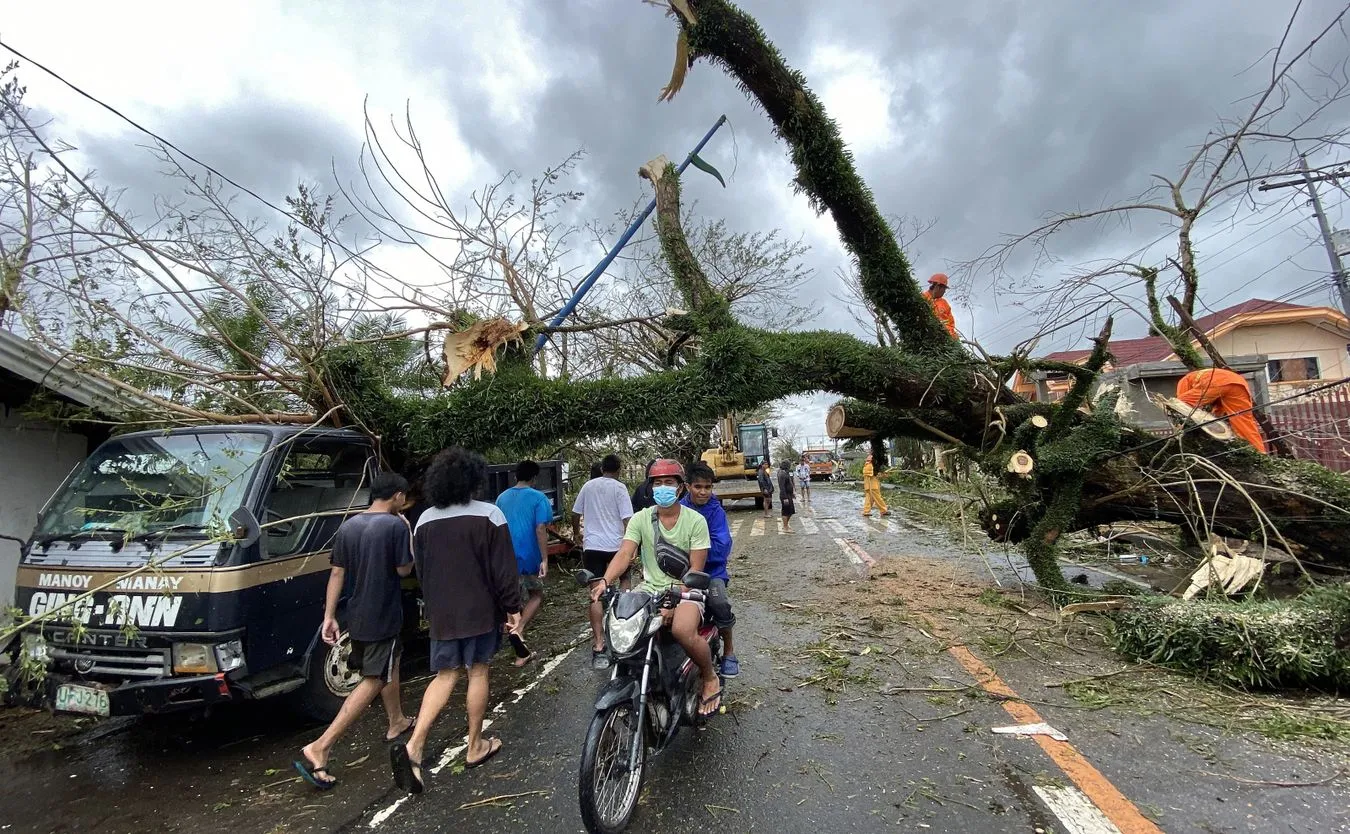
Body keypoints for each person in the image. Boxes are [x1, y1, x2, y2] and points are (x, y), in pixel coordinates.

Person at [392, 448, 523, 794]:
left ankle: (414, 746)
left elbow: (421, 569)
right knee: (478, 670)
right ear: (473, 479)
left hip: (442, 613)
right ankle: (475, 745)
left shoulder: (424, 520)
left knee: (445, 675)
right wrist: (513, 608)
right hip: (480, 610)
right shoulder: (489, 515)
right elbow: (503, 569)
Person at [295, 473, 415, 791]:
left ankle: (396, 721)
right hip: (383, 616)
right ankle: (322, 745)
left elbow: (337, 571)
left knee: (391, 663)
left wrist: (329, 616)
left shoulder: (349, 525)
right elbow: (405, 569)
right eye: (405, 497)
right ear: (397, 496)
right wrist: (407, 531)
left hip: (357, 614)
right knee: (374, 678)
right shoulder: (393, 526)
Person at [590, 459, 721, 715]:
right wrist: (605, 580)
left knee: (683, 629)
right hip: (649, 589)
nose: (663, 488)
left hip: (685, 590)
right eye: (658, 483)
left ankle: (709, 676)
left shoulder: (695, 521)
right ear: (650, 488)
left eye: (669, 483)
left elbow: (696, 568)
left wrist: (676, 600)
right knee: (621, 623)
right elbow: (625, 553)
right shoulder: (641, 519)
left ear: (680, 488)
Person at [572, 453, 635, 670]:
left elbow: (575, 513)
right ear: (618, 469)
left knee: (595, 593)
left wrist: (576, 534)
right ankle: (626, 631)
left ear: (602, 469)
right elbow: (628, 518)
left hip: (593, 546)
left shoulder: (588, 486)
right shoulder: (620, 489)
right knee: (625, 582)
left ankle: (599, 644)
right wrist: (631, 543)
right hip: (617, 547)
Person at [681, 462, 739, 678]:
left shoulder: (716, 512)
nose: (703, 492)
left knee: (719, 602)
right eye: (698, 487)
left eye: (708, 487)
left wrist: (695, 553)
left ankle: (729, 652)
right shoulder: (678, 509)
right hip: (681, 572)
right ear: (688, 486)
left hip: (711, 573)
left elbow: (722, 546)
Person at [494, 460, 554, 666]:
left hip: (505, 556)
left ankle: (518, 645)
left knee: (512, 601)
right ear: (534, 478)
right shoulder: (539, 498)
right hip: (528, 556)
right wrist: (544, 558)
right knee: (537, 594)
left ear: (516, 476)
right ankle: (519, 631)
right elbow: (540, 529)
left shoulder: (501, 498)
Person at [1176, 368, 1268, 453]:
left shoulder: (1184, 380)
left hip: (1216, 382)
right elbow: (1217, 410)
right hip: (1238, 383)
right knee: (1244, 422)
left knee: (1180, 402)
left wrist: (1179, 424)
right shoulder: (1205, 375)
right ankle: (1260, 453)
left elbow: (1182, 405)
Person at [923, 273, 958, 337]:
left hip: (946, 338)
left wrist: (952, 336)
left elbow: (951, 324)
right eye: (944, 289)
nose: (944, 291)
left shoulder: (944, 303)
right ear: (937, 286)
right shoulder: (923, 298)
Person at [861, 452, 890, 518]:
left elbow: (876, 473)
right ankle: (883, 510)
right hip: (873, 485)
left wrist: (883, 474)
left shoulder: (868, 465)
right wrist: (883, 474)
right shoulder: (870, 465)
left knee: (869, 498)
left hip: (869, 485)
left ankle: (866, 511)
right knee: (877, 497)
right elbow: (875, 474)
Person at [777, 459, 796, 533]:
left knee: (791, 511)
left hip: (789, 494)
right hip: (785, 495)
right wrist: (785, 498)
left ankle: (786, 525)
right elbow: (782, 487)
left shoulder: (785, 472)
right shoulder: (781, 474)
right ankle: (785, 527)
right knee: (786, 511)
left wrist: (792, 493)